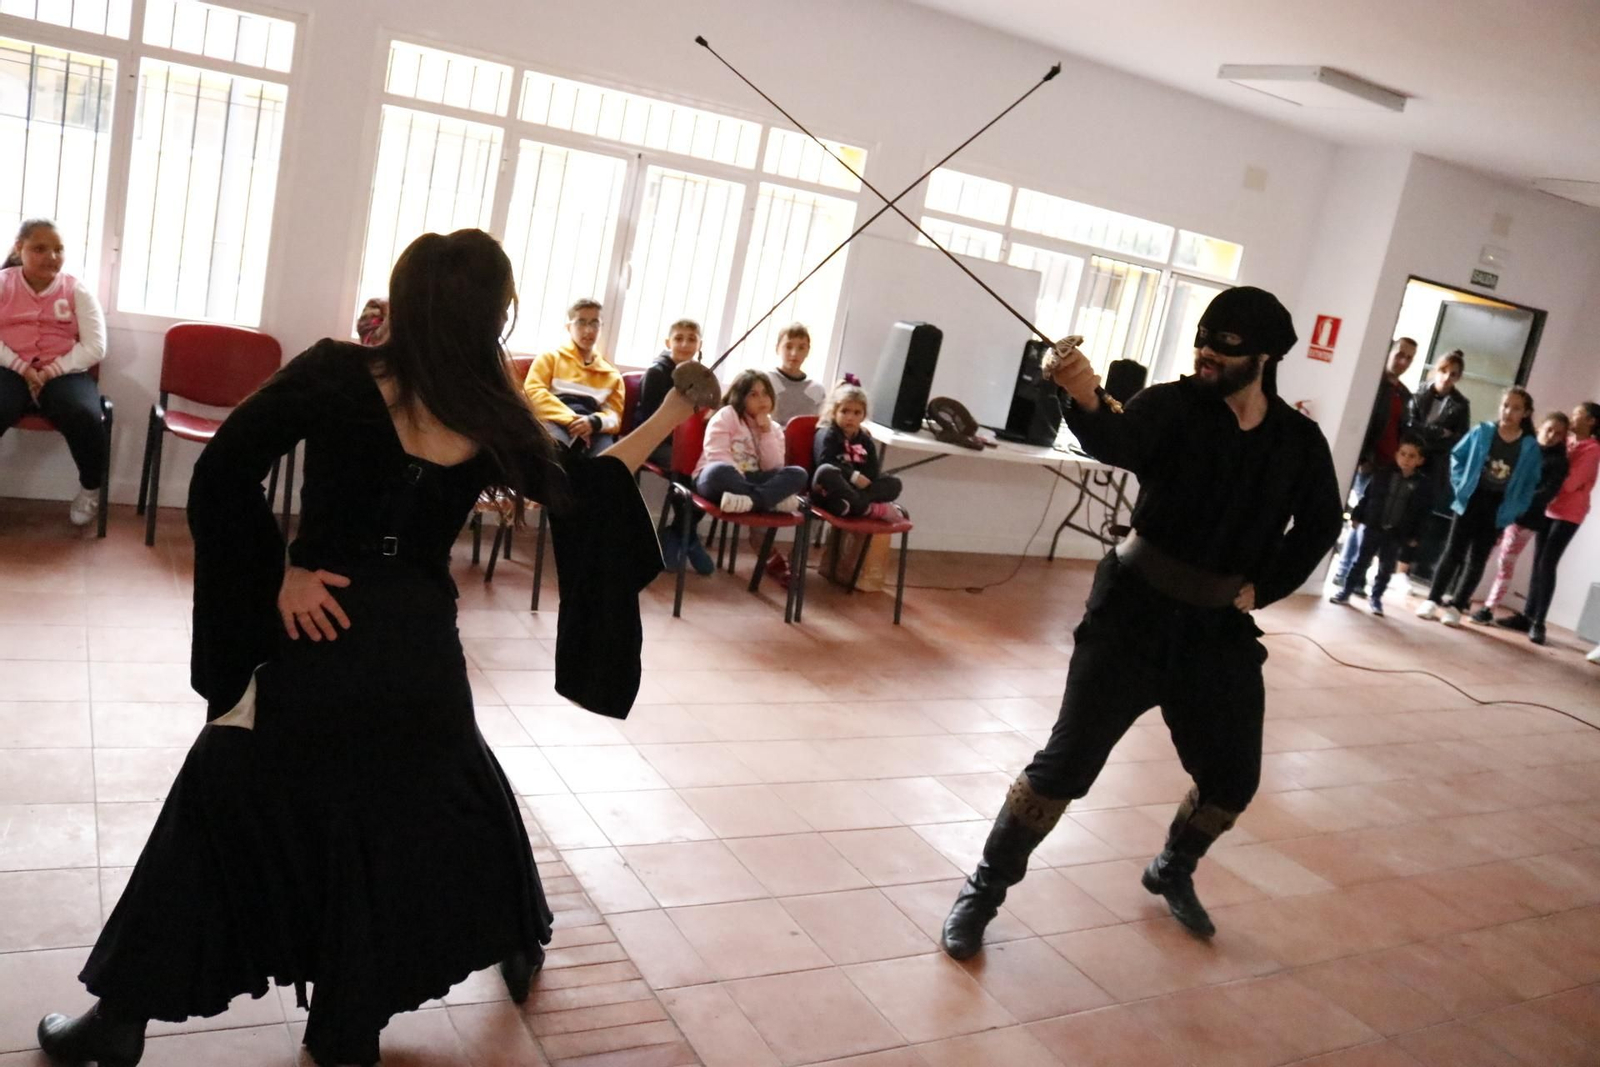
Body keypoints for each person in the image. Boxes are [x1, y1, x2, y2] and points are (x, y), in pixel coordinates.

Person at [34, 229, 718, 1067]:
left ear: (405, 298)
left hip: (323, 623)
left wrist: (278, 577)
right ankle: (381, 1008)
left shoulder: (340, 370)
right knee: (439, 798)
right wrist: (675, 412)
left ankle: (122, 1016)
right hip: (415, 647)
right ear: (492, 313)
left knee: (223, 789)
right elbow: (590, 488)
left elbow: (223, 472)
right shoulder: (488, 407)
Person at [940, 287, 1341, 953]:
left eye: (1224, 348)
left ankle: (1173, 866)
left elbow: (1322, 522)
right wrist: (1083, 393)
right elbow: (1116, 437)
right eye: (1202, 340)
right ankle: (983, 889)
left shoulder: (1297, 442)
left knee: (1233, 778)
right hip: (1132, 613)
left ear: (1265, 357)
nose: (1205, 354)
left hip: (1217, 630)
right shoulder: (1172, 406)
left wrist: (1265, 586)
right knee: (1066, 765)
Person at [0, 218, 108, 527]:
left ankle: (90, 489)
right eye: (40, 249)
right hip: (8, 368)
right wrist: (21, 368)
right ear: (19, 249)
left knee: (85, 415)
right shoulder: (3, 284)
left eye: (58, 249)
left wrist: (49, 373)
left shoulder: (76, 290)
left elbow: (96, 347)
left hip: (63, 372)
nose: (52, 257)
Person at [1415, 387, 1540, 628]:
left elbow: (1530, 483)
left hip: (1498, 507)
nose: (1508, 412)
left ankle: (1457, 606)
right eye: (1505, 405)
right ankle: (1432, 599)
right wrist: (1460, 484)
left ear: (1526, 413)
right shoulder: (1483, 431)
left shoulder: (1529, 446)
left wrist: (1515, 508)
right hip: (1471, 500)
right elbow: (1457, 456)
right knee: (1453, 551)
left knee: (1477, 559)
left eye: (1516, 408)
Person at [1500, 401, 1599, 644]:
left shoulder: (1592, 449)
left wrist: (1547, 483)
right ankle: (1527, 616)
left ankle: (1539, 622)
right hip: (1549, 509)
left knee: (1547, 563)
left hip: (1568, 514)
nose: (1572, 417)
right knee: (1538, 562)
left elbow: (1569, 483)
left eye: (1578, 414)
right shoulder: (1567, 442)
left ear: (1591, 421)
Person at [1332, 338, 1416, 591]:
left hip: (1389, 466)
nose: (1403, 361)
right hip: (1368, 463)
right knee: (1364, 522)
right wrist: (1363, 458)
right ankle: (1347, 573)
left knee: (1373, 524)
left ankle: (1353, 574)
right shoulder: (1373, 384)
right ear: (1389, 351)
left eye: (1409, 358)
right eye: (1400, 354)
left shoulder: (1404, 394)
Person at [1472, 411, 1570, 625]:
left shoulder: (1559, 462)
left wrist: (1519, 499)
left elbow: (1547, 493)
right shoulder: (1525, 447)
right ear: (1540, 427)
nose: (1552, 436)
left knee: (1505, 562)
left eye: (1558, 434)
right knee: (1480, 553)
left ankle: (1489, 608)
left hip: (1526, 519)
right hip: (1500, 510)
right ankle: (1463, 595)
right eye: (1549, 429)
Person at [641, 318, 715, 576]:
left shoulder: (701, 375)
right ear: (668, 342)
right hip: (655, 441)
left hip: (689, 445)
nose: (685, 344)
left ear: (700, 344)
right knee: (687, 467)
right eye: (679, 338)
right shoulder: (657, 373)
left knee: (710, 473)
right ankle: (688, 539)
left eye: (691, 339)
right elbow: (651, 421)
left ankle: (678, 533)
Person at [1330, 433, 1431, 616]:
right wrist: (1357, 515)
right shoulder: (1383, 474)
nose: (1406, 459)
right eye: (1403, 454)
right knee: (1361, 561)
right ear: (1396, 454)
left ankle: (1376, 597)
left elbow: (1421, 513)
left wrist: (1415, 535)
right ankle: (1346, 590)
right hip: (1374, 526)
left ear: (1420, 460)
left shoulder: (1422, 486)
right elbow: (1367, 496)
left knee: (1386, 568)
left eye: (1412, 456)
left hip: (1396, 533)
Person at [523, 298, 625, 453]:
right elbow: (533, 393)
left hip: (593, 426)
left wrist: (593, 422)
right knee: (557, 451)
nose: (588, 330)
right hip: (554, 419)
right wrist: (572, 420)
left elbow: (615, 417)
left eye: (594, 323)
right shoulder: (550, 359)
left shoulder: (612, 375)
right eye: (581, 322)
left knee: (608, 460)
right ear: (569, 327)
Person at [811, 375, 905, 520]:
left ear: (863, 415)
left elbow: (873, 471)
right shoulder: (827, 434)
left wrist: (865, 479)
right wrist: (853, 476)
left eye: (857, 413)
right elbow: (825, 461)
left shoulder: (865, 439)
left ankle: (852, 505)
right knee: (826, 471)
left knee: (894, 483)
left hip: (855, 491)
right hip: (830, 488)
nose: (850, 418)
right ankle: (867, 508)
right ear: (834, 412)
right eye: (845, 411)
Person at [768, 322, 826, 425]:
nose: (794, 353)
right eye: (788, 347)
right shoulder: (766, 381)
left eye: (801, 348)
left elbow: (821, 424)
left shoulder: (817, 389)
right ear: (777, 348)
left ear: (808, 351)